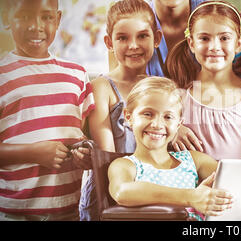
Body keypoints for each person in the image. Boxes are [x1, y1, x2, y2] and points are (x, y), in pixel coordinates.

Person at [108, 76, 241, 220]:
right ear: (129, 117)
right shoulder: (124, 166)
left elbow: (238, 185)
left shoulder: (193, 160)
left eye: (168, 116)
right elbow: (122, 192)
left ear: (179, 124)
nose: (157, 124)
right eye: (147, 113)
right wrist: (190, 197)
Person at [0, 0, 95, 220]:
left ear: (58, 19)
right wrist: (34, 152)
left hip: (69, 210)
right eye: (24, 16)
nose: (36, 26)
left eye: (46, 17)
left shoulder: (77, 75)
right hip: (14, 211)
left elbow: (84, 137)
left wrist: (86, 154)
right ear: (6, 19)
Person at [79, 0, 162, 221]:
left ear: (157, 39)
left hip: (152, 192)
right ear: (109, 42)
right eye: (122, 38)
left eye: (143, 36)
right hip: (109, 195)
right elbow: (108, 157)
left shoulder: (161, 88)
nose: (133, 45)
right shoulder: (101, 88)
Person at [166, 1, 241, 160]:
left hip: (236, 185)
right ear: (191, 44)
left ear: (239, 43)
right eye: (204, 38)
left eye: (224, 38)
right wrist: (172, 130)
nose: (214, 46)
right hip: (189, 186)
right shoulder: (176, 96)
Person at [108, 0, 205, 77]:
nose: (133, 45)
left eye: (142, 36)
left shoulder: (215, 13)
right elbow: (118, 87)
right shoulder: (130, 17)